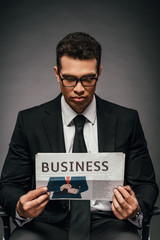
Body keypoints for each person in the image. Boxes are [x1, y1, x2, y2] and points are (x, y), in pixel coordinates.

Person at [0, 32, 158, 240]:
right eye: (70, 79)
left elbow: (146, 184)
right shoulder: (29, 121)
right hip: (45, 222)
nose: (79, 89)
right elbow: (9, 184)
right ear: (57, 74)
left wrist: (135, 209)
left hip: (109, 222)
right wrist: (21, 208)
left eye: (88, 79)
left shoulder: (127, 120)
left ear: (99, 73)